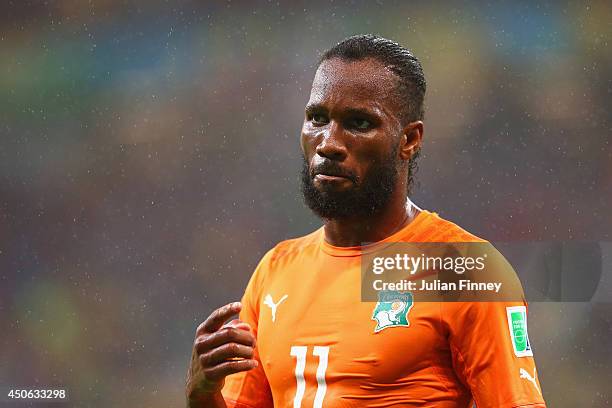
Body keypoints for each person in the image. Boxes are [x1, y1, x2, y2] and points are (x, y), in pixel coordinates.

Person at [186, 34, 546, 408]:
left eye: (358, 123)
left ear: (409, 139)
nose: (328, 142)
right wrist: (202, 395)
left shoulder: (463, 269)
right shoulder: (275, 270)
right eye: (317, 118)